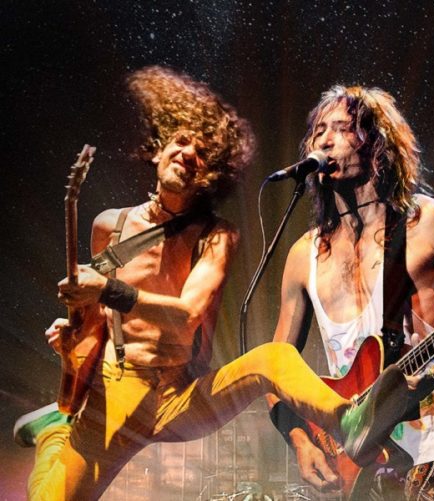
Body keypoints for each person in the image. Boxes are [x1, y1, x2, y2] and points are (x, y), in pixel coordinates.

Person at [14, 68, 411, 501]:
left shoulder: (217, 235)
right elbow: (92, 331)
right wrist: (70, 352)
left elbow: (187, 315)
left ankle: (348, 420)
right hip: (116, 387)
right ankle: (54, 433)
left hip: (180, 396)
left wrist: (106, 290)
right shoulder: (110, 226)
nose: (188, 152)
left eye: (202, 152)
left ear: (210, 173)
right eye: (181, 141)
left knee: (273, 358)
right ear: (157, 150)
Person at [269, 85, 434, 499]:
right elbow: (276, 371)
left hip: (431, 452)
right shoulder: (301, 255)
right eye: (318, 131)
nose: (324, 140)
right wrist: (301, 443)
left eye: (341, 128)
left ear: (376, 144)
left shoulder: (427, 221)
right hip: (354, 465)